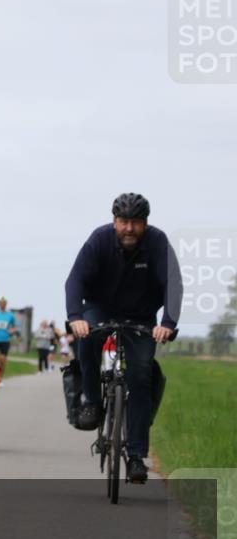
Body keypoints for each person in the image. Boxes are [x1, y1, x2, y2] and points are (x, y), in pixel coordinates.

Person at [65, 193, 181, 484]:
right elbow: (75, 279)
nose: (129, 228)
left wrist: (167, 322)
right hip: (98, 307)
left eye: (136, 223)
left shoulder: (157, 242)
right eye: (123, 222)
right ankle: (91, 399)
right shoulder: (99, 240)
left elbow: (173, 283)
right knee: (87, 340)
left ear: (145, 223)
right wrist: (75, 316)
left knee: (141, 375)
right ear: (114, 221)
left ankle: (136, 455)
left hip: (141, 315)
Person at [0, 297, 19, 382]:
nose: (2, 304)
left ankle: (1, 378)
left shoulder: (10, 315)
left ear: (6, 304)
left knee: (2, 360)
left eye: (4, 303)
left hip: (5, 339)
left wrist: (11, 330)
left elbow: (15, 327)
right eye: (1, 303)